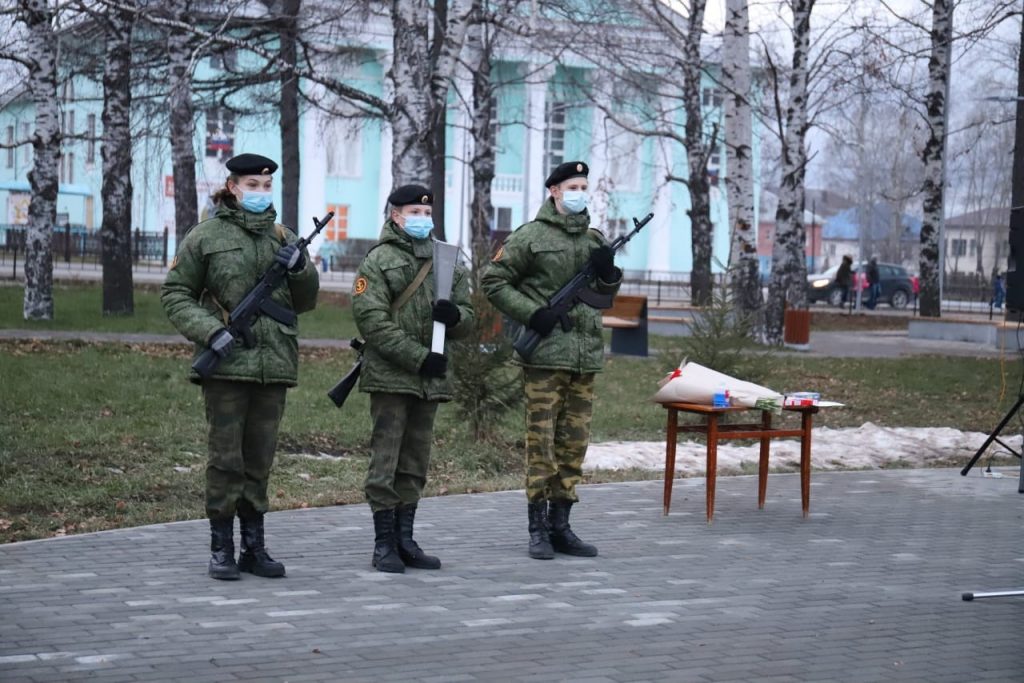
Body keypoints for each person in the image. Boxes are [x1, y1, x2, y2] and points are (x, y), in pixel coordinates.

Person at [161, 153, 320, 580]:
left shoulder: (282, 237)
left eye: (267, 187)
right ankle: (221, 547)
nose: (261, 193)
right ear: (233, 188)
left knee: (260, 459)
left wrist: (302, 268)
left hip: (273, 365)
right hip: (229, 365)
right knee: (225, 458)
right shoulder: (205, 237)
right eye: (253, 186)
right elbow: (176, 294)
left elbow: (304, 302)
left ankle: (254, 545)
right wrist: (212, 333)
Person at [481, 161, 621, 561]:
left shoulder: (595, 238)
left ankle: (562, 525)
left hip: (584, 357)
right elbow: (493, 281)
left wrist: (608, 273)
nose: (580, 191)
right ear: (555, 191)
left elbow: (604, 294)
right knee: (541, 445)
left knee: (572, 446)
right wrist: (532, 313)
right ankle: (538, 528)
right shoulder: (530, 236)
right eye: (572, 186)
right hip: (545, 357)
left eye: (584, 185)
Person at [352, 184, 474, 573]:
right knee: (386, 461)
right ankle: (383, 543)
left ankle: (405, 538)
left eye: (426, 213)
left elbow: (468, 312)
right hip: (393, 377)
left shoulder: (447, 259)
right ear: (395, 216)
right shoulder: (378, 260)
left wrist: (456, 318)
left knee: (415, 462)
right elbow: (372, 321)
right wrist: (419, 358)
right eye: (413, 213)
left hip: (430, 380)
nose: (422, 219)